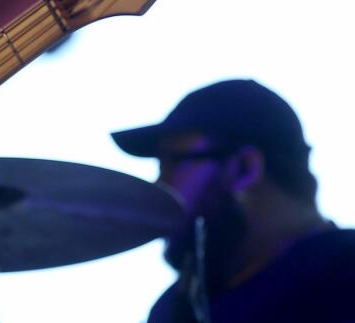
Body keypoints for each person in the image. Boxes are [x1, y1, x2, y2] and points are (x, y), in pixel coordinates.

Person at [111, 79, 355, 323]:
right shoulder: (175, 306)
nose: (160, 186)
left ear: (244, 168)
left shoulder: (343, 273)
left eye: (174, 162)